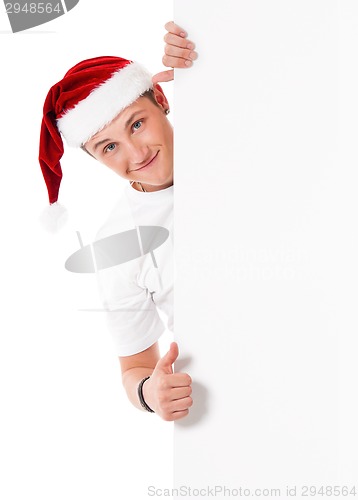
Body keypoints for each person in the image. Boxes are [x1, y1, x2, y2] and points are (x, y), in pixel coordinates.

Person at [39, 22, 198, 421]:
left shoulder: (237, 140)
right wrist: (151, 393)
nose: (136, 152)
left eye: (137, 123)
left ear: (161, 98)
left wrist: (204, 47)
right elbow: (135, 369)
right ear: (95, 157)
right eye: (110, 146)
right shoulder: (119, 241)